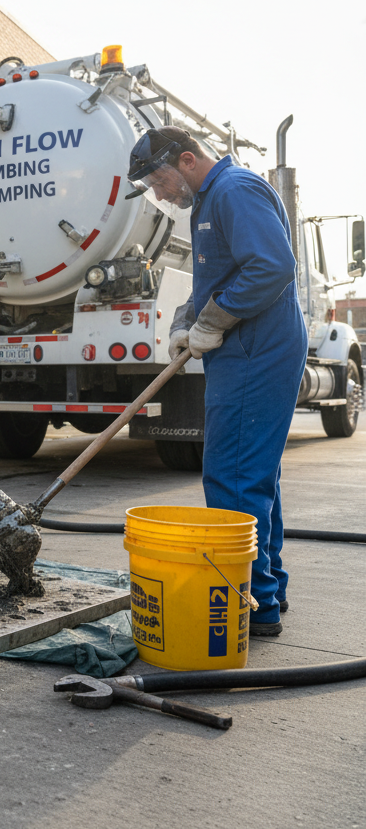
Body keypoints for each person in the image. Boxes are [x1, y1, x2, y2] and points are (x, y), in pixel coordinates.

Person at [128, 126, 308, 637]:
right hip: (247, 347)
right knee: (255, 474)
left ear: (187, 160)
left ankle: (250, 606)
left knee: (232, 474)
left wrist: (215, 320)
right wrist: (188, 319)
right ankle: (267, 588)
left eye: (160, 182)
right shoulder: (210, 201)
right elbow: (217, 279)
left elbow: (273, 267)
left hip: (257, 349)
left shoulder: (234, 190)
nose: (161, 196)